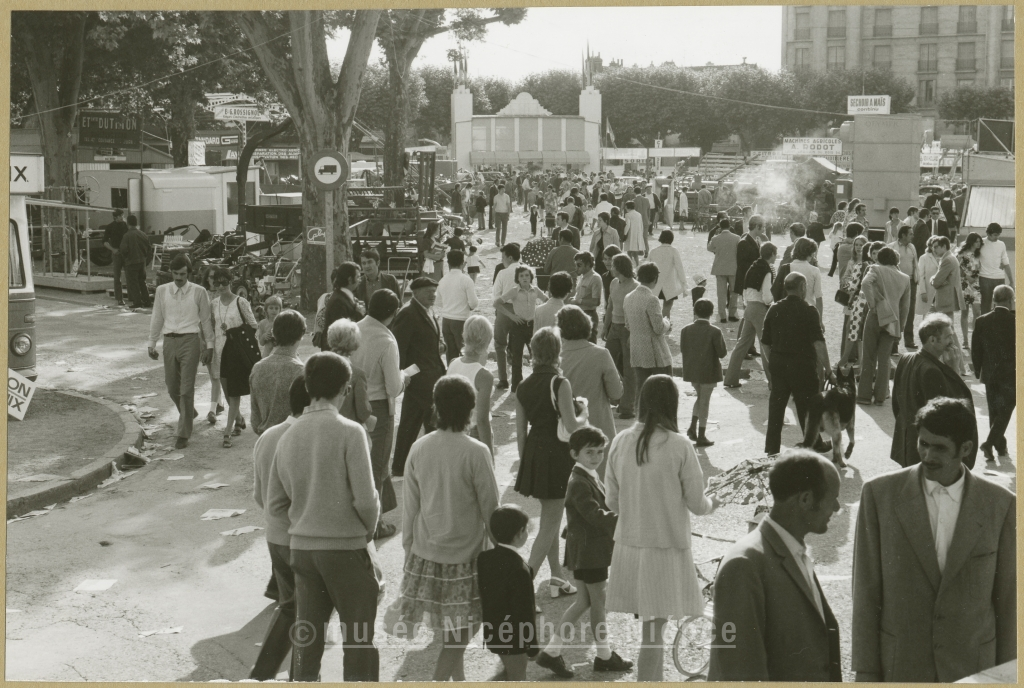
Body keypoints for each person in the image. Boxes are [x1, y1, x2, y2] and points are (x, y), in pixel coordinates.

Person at [853, 397, 1016, 682]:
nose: (927, 456)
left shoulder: (1001, 504)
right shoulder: (879, 496)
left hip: (974, 670)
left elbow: (1009, 602)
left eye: (939, 447)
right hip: (902, 666)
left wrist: (1008, 674)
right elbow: (865, 594)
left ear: (965, 449)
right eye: (923, 444)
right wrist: (866, 672)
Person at [266, 353, 381, 682]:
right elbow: (365, 500)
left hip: (302, 551)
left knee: (307, 641)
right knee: (359, 642)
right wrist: (369, 530)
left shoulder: (287, 435)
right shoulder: (350, 432)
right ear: (344, 388)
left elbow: (274, 501)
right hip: (345, 549)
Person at [606, 375, 721, 682]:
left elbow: (612, 501)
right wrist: (715, 501)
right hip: (665, 548)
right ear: (673, 404)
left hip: (629, 545)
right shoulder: (680, 445)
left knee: (652, 631)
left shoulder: (620, 441)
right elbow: (698, 504)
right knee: (654, 633)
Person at [708, 449, 842, 681]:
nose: (838, 507)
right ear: (806, 499)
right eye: (833, 497)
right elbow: (740, 672)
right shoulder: (744, 565)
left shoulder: (790, 551)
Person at [399, 375, 500, 681]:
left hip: (426, 556)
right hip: (465, 560)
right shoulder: (476, 451)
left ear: (436, 406)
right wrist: (500, 554)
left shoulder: (419, 448)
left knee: (450, 634)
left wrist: (408, 550)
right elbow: (491, 510)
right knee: (459, 637)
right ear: (471, 409)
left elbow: (410, 507)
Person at [536, 427, 634, 677]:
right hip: (590, 553)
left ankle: (552, 651)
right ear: (574, 453)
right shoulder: (580, 481)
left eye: (600, 451)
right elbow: (593, 514)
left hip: (584, 551)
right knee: (597, 603)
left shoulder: (585, 474)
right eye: (589, 452)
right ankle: (603, 656)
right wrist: (624, 520)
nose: (596, 456)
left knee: (584, 602)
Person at [514, 327, 584, 592]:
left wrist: (526, 462)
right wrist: (584, 413)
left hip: (534, 451)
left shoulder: (523, 385)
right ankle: (525, 578)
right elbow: (571, 425)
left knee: (549, 517)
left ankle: (556, 575)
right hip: (557, 454)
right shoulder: (560, 382)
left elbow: (521, 432)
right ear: (557, 352)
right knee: (551, 522)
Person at [249, 375, 310, 681]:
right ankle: (297, 675)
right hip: (305, 539)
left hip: (275, 536)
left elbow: (260, 495)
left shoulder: (268, 436)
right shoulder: (309, 437)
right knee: (305, 613)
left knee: (292, 607)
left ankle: (264, 674)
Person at [761, 272, 835, 456]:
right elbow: (818, 343)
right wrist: (828, 369)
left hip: (779, 364)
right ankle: (813, 445)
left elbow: (765, 342)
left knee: (776, 409)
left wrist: (773, 362)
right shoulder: (809, 310)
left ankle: (772, 450)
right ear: (802, 288)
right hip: (803, 366)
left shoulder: (774, 308)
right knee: (807, 409)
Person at [352, 289, 404, 539]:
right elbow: (394, 387)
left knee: (359, 461)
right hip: (379, 406)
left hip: (352, 401)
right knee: (378, 464)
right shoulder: (386, 339)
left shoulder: (354, 328)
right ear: (393, 313)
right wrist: (405, 378)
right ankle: (376, 523)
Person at [891, 313, 975, 468]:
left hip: (907, 445)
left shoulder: (905, 358)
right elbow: (951, 412)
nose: (952, 342)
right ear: (932, 340)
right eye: (949, 337)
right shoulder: (932, 371)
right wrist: (954, 369)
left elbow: (896, 405)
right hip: (927, 453)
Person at [147, 254, 214, 449]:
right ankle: (188, 412)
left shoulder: (199, 292)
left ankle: (183, 433)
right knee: (171, 385)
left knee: (186, 388)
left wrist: (209, 346)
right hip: (169, 341)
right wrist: (152, 343)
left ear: (189, 273)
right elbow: (157, 317)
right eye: (175, 273)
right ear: (171, 272)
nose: (179, 278)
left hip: (190, 341)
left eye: (183, 274)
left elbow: (206, 321)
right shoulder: (162, 291)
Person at [391, 277, 445, 478]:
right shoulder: (408, 313)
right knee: (418, 424)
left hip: (432, 378)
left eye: (435, 291)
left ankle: (408, 466)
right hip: (419, 381)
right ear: (416, 292)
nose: (433, 295)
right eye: (429, 291)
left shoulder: (426, 310)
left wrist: (439, 348)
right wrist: (410, 376)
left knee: (421, 423)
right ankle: (402, 467)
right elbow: (400, 351)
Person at [477, 505, 539, 680]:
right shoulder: (520, 569)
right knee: (518, 677)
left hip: (493, 632)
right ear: (520, 533)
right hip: (514, 638)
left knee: (507, 674)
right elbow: (525, 612)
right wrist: (532, 647)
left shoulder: (484, 559)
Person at [557, 306, 622, 471]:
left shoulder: (556, 358)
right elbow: (616, 393)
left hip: (566, 435)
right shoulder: (601, 354)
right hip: (599, 432)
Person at [209, 267, 259, 448]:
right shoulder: (213, 303)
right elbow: (212, 326)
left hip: (236, 353)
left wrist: (233, 332)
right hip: (219, 352)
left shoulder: (241, 302)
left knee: (234, 392)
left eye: (224, 282)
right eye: (217, 283)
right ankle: (238, 419)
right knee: (227, 392)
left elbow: (253, 326)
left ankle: (227, 432)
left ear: (231, 282)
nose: (221, 286)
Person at [856, 248, 911, 405]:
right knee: (884, 359)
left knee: (868, 356)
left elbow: (865, 283)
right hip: (893, 320)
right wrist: (901, 327)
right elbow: (905, 307)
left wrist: (872, 304)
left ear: (879, 258)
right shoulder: (905, 278)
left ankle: (864, 395)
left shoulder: (875, 268)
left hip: (876, 316)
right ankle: (880, 396)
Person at [971, 285, 1015, 462]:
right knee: (1006, 409)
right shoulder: (1016, 321)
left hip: (989, 371)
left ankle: (998, 445)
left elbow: (976, 349)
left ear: (994, 300)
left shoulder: (982, 320)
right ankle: (991, 443)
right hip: (1010, 373)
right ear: (1011, 300)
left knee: (994, 410)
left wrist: (977, 369)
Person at [724, 242, 775, 389]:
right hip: (759, 308)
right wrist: (772, 301)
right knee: (766, 346)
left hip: (749, 307)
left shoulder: (752, 267)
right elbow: (766, 296)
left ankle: (730, 378)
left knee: (741, 345)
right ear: (771, 254)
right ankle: (773, 382)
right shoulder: (767, 270)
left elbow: (744, 291)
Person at [623, 262, 673, 407]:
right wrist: (667, 323)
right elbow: (658, 328)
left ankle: (642, 422)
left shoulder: (628, 297)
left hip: (637, 349)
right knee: (664, 393)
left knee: (642, 390)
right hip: (655, 353)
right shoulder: (651, 299)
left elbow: (627, 324)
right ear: (655, 279)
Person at [679, 299, 727, 447]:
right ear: (711, 313)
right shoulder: (715, 331)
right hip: (708, 371)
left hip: (692, 370)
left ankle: (693, 427)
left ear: (695, 311)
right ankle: (701, 434)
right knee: (704, 402)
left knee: (700, 398)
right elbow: (722, 353)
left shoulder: (685, 329)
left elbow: (683, 349)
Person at [250, 309, 306, 436]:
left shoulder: (257, 368)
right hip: (292, 441)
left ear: (274, 333)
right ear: (302, 334)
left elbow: (255, 421)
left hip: (265, 439)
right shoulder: (301, 372)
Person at [447, 315, 496, 457]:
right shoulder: (484, 376)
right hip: (474, 432)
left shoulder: (453, 363)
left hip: (455, 430)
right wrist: (489, 454)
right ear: (487, 340)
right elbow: (482, 420)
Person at [498, 266, 548, 391]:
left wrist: (540, 313)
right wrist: (511, 316)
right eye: (521, 276)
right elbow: (497, 303)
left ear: (531, 277)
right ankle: (516, 387)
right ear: (517, 278)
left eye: (527, 275)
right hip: (518, 326)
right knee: (517, 358)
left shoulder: (535, 290)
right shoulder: (514, 291)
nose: (524, 278)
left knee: (537, 356)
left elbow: (547, 301)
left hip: (532, 326)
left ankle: (538, 384)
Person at [603, 254, 638, 419]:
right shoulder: (613, 283)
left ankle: (627, 407)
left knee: (629, 368)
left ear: (621, 267)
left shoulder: (635, 286)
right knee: (607, 363)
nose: (610, 265)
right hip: (614, 328)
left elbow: (635, 313)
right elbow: (610, 306)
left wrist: (633, 334)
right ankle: (618, 396)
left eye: (613, 264)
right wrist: (605, 326)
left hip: (628, 329)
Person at [930, 236, 967, 373]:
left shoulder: (947, 260)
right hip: (946, 299)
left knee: (948, 333)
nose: (933, 249)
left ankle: (959, 367)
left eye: (936, 247)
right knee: (947, 332)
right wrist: (937, 280)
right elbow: (939, 280)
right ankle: (959, 367)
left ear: (944, 246)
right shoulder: (949, 258)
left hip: (946, 300)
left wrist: (933, 279)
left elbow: (936, 282)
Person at [435, 250, 478, 366]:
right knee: (466, 354)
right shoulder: (466, 280)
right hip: (461, 319)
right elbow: (474, 303)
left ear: (448, 263)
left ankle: (452, 378)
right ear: (462, 263)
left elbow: (438, 302)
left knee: (451, 355)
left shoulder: (442, 280)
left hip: (446, 320)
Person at [328, 319, 373, 431]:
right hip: (346, 431)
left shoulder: (316, 367)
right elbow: (363, 412)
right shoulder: (357, 374)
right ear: (354, 343)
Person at [492, 243, 522, 390]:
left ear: (509, 258)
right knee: (519, 346)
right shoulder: (527, 271)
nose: (502, 260)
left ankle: (503, 379)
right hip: (522, 311)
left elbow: (495, 297)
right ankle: (517, 381)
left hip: (504, 310)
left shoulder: (503, 273)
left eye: (503, 257)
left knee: (499, 345)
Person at [321, 262, 363, 352]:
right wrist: (359, 314)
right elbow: (342, 332)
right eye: (358, 277)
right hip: (336, 354)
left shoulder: (343, 296)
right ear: (350, 280)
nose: (360, 280)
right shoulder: (338, 301)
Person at [889, 225, 920, 350]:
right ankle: (894, 344)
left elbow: (915, 264)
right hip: (897, 283)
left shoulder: (912, 247)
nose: (913, 236)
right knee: (896, 312)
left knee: (910, 312)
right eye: (910, 234)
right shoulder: (892, 247)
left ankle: (909, 340)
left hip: (911, 282)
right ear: (903, 235)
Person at [648, 230, 687, 320]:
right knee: (667, 306)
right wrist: (684, 282)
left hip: (655, 283)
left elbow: (647, 266)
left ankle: (659, 322)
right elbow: (679, 268)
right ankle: (665, 322)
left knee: (654, 305)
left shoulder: (653, 251)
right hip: (669, 283)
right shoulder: (673, 251)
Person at [707, 217, 741, 322]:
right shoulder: (737, 238)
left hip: (720, 268)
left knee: (721, 293)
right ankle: (732, 314)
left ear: (720, 227)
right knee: (734, 292)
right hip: (733, 268)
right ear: (729, 226)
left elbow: (709, 248)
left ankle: (722, 315)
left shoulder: (715, 238)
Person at [978, 223, 1014, 314]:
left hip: (999, 278)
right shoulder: (981, 243)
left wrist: (1012, 281)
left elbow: (1006, 263)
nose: (997, 237)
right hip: (984, 278)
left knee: (1001, 305)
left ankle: (998, 327)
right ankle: (985, 326)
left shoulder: (1001, 244)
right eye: (995, 235)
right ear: (988, 233)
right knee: (985, 304)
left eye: (998, 235)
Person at [118, 215, 152, 309]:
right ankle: (147, 301)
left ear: (128, 223)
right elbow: (149, 249)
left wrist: (125, 259)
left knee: (133, 283)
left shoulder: (127, 235)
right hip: (142, 262)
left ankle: (137, 302)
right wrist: (146, 261)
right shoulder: (143, 234)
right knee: (142, 282)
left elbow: (123, 249)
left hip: (131, 262)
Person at [956, 232, 983, 346]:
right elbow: (956, 267)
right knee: (965, 313)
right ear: (971, 241)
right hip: (964, 284)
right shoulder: (962, 254)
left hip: (976, 285)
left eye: (979, 242)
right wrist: (966, 277)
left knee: (977, 312)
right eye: (976, 241)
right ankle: (965, 340)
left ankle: (975, 338)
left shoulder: (979, 254)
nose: (979, 244)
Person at [569, 251, 602, 342]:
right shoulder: (582, 277)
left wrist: (577, 301)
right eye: (576, 265)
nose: (576, 268)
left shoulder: (595, 278)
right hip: (579, 314)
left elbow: (596, 302)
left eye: (579, 265)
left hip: (589, 314)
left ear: (588, 265)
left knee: (590, 346)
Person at [733, 214, 765, 307]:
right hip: (748, 283)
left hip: (754, 282)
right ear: (756, 226)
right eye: (762, 226)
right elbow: (742, 266)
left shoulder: (757, 240)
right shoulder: (744, 242)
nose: (764, 229)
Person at [788, 237, 824, 317]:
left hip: (789, 311)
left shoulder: (786, 268)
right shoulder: (815, 270)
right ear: (811, 253)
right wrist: (820, 320)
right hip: (809, 310)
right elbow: (818, 297)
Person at [103, 208, 130, 306]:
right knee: (117, 276)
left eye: (123, 216)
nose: (122, 218)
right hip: (116, 252)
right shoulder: (110, 227)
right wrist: (113, 249)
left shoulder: (126, 226)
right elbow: (104, 242)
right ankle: (119, 298)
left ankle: (131, 296)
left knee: (129, 275)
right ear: (116, 217)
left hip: (126, 253)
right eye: (121, 216)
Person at [917, 235, 941, 317]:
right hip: (928, 290)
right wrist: (923, 292)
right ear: (930, 246)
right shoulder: (923, 258)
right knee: (927, 315)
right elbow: (920, 276)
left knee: (940, 316)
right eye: (935, 246)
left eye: (939, 246)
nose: (937, 248)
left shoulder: (943, 257)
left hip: (941, 291)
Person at [493, 182, 512, 246]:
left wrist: (508, 214)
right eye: (502, 189)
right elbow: (494, 206)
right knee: (498, 228)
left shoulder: (507, 196)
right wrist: (493, 216)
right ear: (499, 190)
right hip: (498, 214)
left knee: (504, 228)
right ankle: (497, 241)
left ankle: (503, 242)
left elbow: (509, 206)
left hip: (505, 214)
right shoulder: (496, 197)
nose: (503, 190)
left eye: (504, 189)